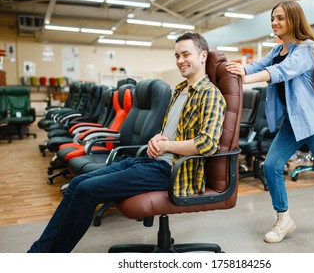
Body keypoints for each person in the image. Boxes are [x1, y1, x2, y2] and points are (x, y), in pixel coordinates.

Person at [28, 32, 226, 252]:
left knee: (86, 191)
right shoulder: (180, 90)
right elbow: (170, 133)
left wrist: (167, 146)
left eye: (186, 54)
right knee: (76, 184)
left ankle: (48, 256)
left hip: (172, 172)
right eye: (177, 55)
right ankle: (37, 253)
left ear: (203, 55)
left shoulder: (210, 94)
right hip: (150, 161)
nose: (180, 60)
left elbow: (207, 144)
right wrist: (156, 139)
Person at [226, 1, 314, 243]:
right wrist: (233, 69)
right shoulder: (275, 51)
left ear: (294, 19)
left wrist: (247, 79)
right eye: (272, 18)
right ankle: (284, 219)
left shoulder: (306, 48)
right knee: (271, 166)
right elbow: (256, 66)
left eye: (280, 18)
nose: (274, 22)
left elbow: (282, 71)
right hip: (292, 124)